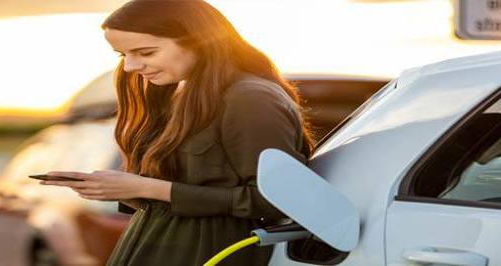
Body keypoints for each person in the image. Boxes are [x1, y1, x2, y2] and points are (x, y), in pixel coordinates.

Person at [40, 0, 314, 265]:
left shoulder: (250, 98)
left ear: (198, 41)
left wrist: (148, 187)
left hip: (211, 253)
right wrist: (119, 189)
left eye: (146, 53)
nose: (131, 67)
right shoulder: (183, 95)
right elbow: (186, 196)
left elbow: (276, 201)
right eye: (124, 55)